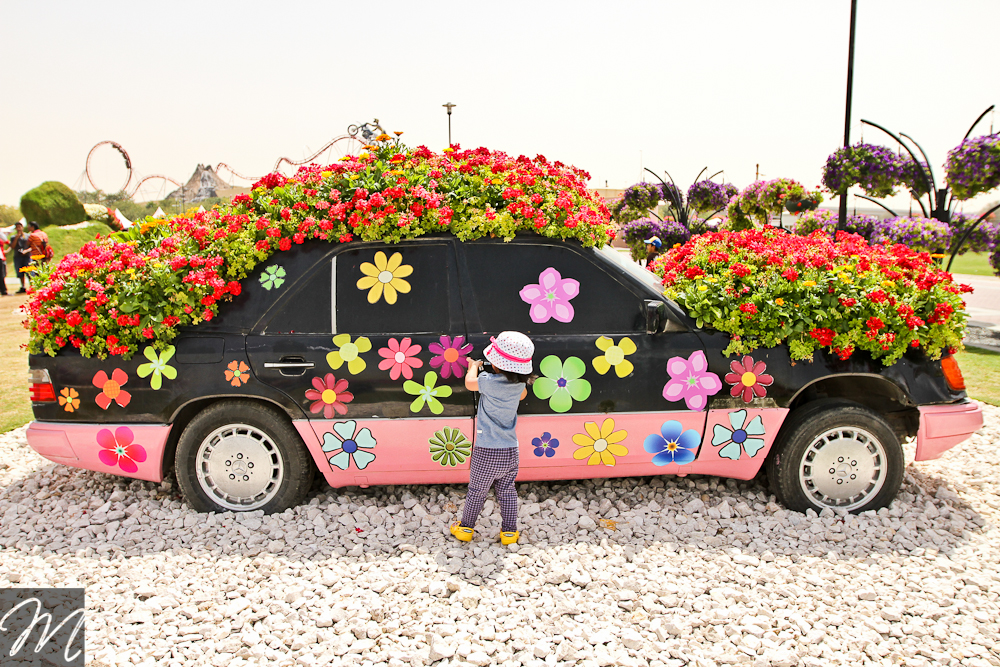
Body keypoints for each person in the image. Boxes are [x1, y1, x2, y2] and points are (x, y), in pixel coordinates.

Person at [451, 331, 536, 545]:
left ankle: (465, 529)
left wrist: (473, 367)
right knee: (507, 492)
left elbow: (470, 383)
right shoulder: (519, 387)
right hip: (510, 451)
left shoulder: (487, 381)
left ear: (496, 364)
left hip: (486, 451)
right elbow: (521, 394)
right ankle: (509, 532)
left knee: (477, 492)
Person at [12, 222, 30, 292]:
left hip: (27, 256)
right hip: (18, 256)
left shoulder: (27, 236)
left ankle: (32, 285)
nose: (18, 229)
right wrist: (16, 238)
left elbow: (31, 246)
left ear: (22, 227)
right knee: (20, 272)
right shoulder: (13, 237)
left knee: (29, 271)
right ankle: (23, 286)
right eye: (17, 227)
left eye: (19, 227)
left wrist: (26, 251)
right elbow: (13, 246)